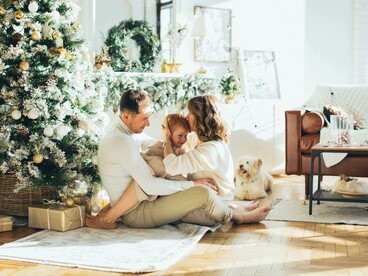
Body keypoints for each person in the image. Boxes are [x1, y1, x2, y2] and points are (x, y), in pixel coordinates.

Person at [86, 89, 271, 229]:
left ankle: (231, 209)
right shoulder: (122, 140)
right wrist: (193, 184)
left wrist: (169, 142)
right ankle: (235, 215)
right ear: (126, 116)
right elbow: (151, 183)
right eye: (145, 119)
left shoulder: (123, 133)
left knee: (161, 166)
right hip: (136, 211)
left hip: (145, 201)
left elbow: (156, 146)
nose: (149, 123)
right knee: (200, 192)